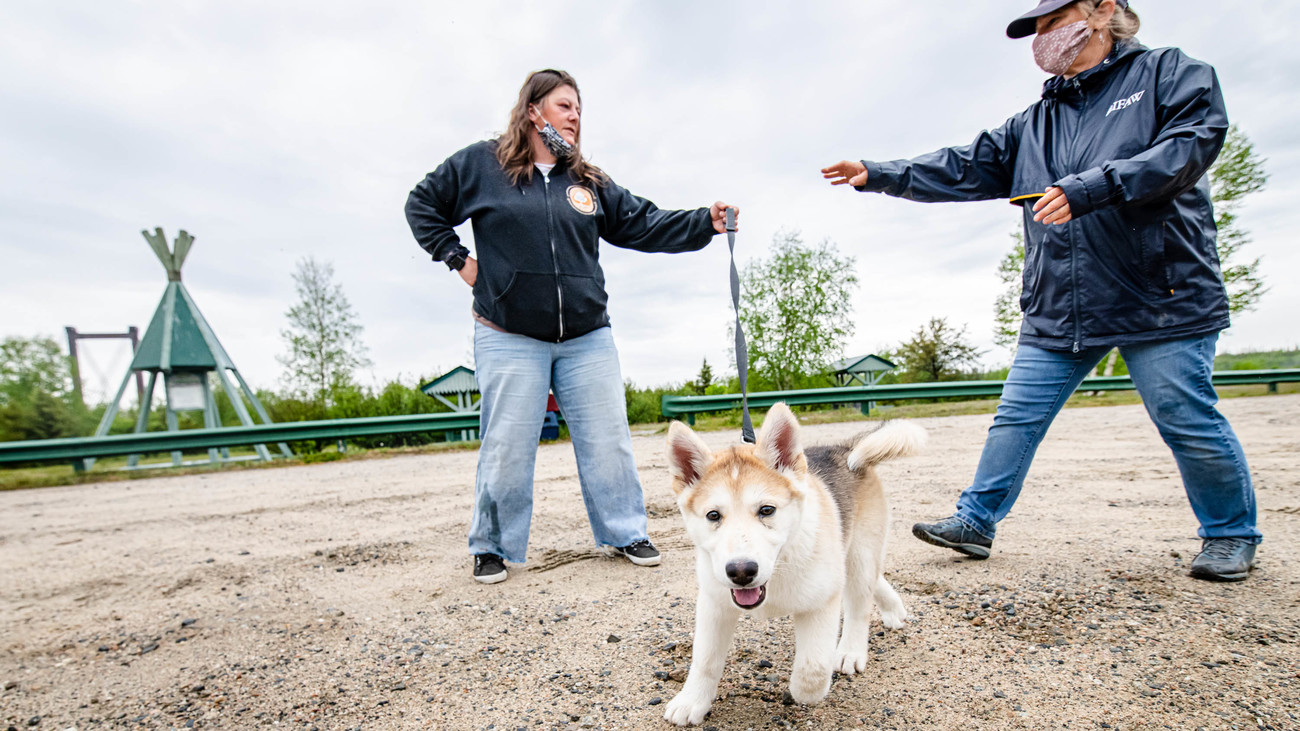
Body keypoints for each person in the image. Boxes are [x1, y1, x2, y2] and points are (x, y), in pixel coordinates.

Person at [821, 0, 1260, 582]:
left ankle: (1230, 534)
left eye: (1054, 21)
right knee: (1016, 418)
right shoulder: (1036, 120)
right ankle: (975, 521)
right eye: (1037, 28)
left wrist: (1096, 186)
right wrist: (881, 174)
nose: (1043, 37)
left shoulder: (1170, 74)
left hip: (1159, 295)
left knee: (1183, 414)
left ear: (1103, 11)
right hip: (1062, 302)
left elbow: (1188, 147)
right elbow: (963, 165)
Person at [405, 69, 738, 584]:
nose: (575, 116)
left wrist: (704, 222)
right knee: (508, 446)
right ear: (533, 111)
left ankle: (625, 531)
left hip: (587, 337)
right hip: (509, 334)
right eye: (564, 106)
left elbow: (642, 223)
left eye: (579, 108)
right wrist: (458, 259)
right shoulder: (481, 164)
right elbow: (422, 204)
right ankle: (492, 546)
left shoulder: (586, 180)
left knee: (608, 440)